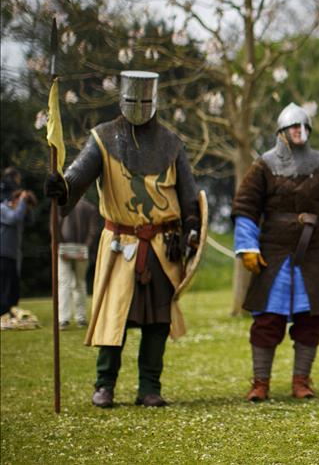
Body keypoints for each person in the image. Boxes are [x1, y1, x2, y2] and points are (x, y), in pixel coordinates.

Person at [45, 70, 201, 408]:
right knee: (113, 316)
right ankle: (105, 384)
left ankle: (149, 387)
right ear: (123, 99)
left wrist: (192, 228)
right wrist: (62, 187)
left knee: (158, 321)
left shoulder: (172, 144)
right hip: (121, 245)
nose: (140, 106)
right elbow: (78, 177)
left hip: (163, 246)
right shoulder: (103, 138)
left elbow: (188, 196)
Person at [231, 102, 319, 402]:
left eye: (302, 127)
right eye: (293, 128)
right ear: (281, 132)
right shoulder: (262, 165)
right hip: (273, 251)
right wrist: (248, 246)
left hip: (313, 250)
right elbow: (246, 207)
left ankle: (301, 381)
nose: (298, 132)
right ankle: (260, 383)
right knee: (267, 319)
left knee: (311, 319)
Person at [1, 167, 37, 329]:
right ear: (14, 201)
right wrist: (22, 199)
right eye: (21, 204)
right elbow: (14, 218)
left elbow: (30, 219)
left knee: (13, 290)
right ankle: (3, 315)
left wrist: (26, 201)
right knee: (5, 289)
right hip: (3, 255)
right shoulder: (3, 208)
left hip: (14, 256)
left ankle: (9, 315)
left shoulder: (18, 209)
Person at [57, 196, 100, 328]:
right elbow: (93, 232)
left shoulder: (62, 206)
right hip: (82, 250)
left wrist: (61, 246)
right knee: (80, 283)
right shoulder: (90, 208)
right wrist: (85, 248)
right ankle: (81, 318)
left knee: (64, 283)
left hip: (64, 249)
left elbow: (55, 228)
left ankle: (64, 319)